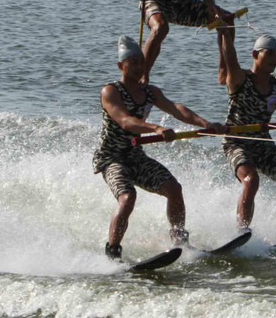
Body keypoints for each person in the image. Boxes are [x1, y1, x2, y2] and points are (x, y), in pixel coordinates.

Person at [93, 35, 225, 261]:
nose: (137, 67)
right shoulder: (110, 91)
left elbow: (176, 109)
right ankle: (113, 252)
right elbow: (125, 121)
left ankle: (180, 242)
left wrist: (205, 124)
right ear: (120, 66)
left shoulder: (150, 92)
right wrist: (155, 128)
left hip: (136, 157)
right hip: (111, 159)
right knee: (127, 197)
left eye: (141, 62)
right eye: (132, 62)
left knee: (173, 189)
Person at [216, 24, 276, 236]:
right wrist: (224, 33)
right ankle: (242, 232)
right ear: (255, 54)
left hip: (263, 143)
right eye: (270, 53)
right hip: (236, 142)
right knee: (251, 179)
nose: (274, 59)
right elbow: (230, 57)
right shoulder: (240, 79)